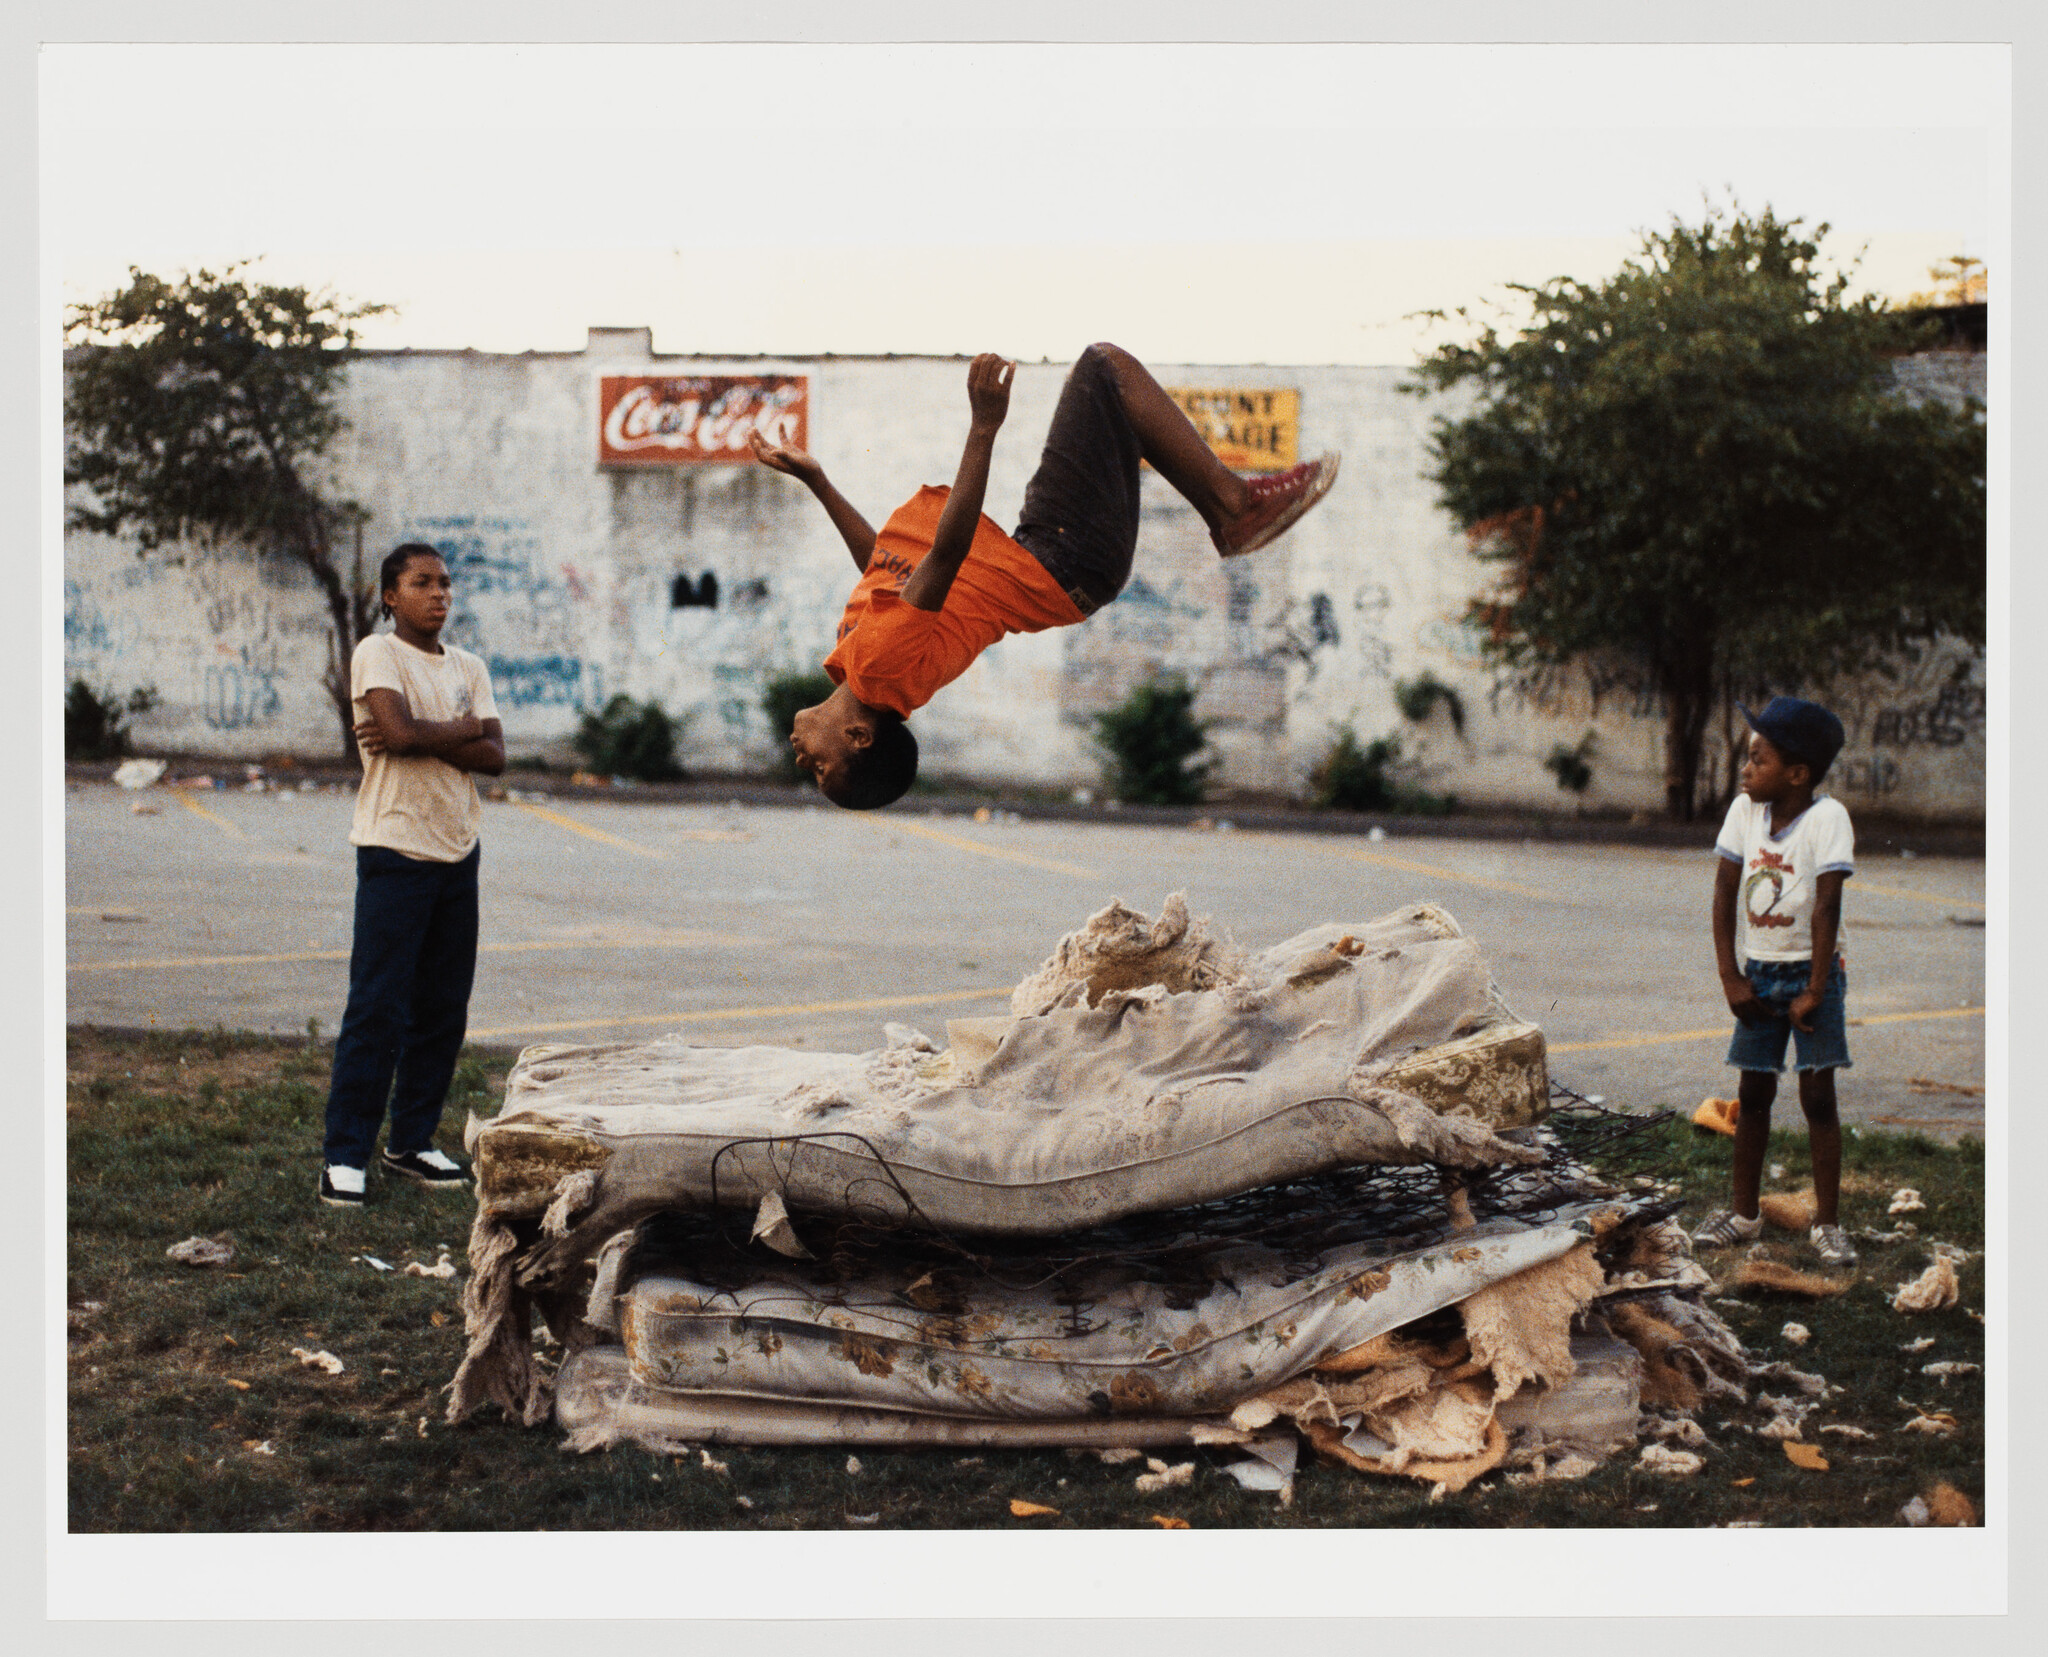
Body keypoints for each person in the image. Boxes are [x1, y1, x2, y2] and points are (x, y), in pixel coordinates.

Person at [750, 343, 1339, 809]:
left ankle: (1229, 508)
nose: (804, 761)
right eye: (820, 769)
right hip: (1066, 559)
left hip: (1056, 559)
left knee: (1114, 404)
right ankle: (1234, 510)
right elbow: (945, 555)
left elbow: (881, 563)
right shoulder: (880, 669)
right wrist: (984, 427)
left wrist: (820, 484)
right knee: (1104, 369)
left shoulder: (862, 658)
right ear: (858, 738)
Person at [319, 544, 505, 1207]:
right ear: (391, 596)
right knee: (378, 1006)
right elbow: (394, 733)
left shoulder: (469, 666)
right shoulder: (378, 652)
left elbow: (495, 754)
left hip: (459, 848)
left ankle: (411, 1140)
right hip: (395, 849)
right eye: (422, 583)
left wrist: (431, 732)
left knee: (442, 1008)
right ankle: (344, 1155)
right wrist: (458, 730)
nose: (439, 593)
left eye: (446, 582)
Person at [1692, 696, 1858, 1267]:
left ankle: (1828, 1223)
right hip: (1758, 976)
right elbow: (1721, 895)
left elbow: (1826, 907)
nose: (1745, 770)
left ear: (1797, 773)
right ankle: (1744, 1215)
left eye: (1757, 759)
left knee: (1818, 1095)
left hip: (1816, 975)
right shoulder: (1743, 812)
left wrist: (1814, 988)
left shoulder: (1828, 819)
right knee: (1754, 1092)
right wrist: (1730, 977)